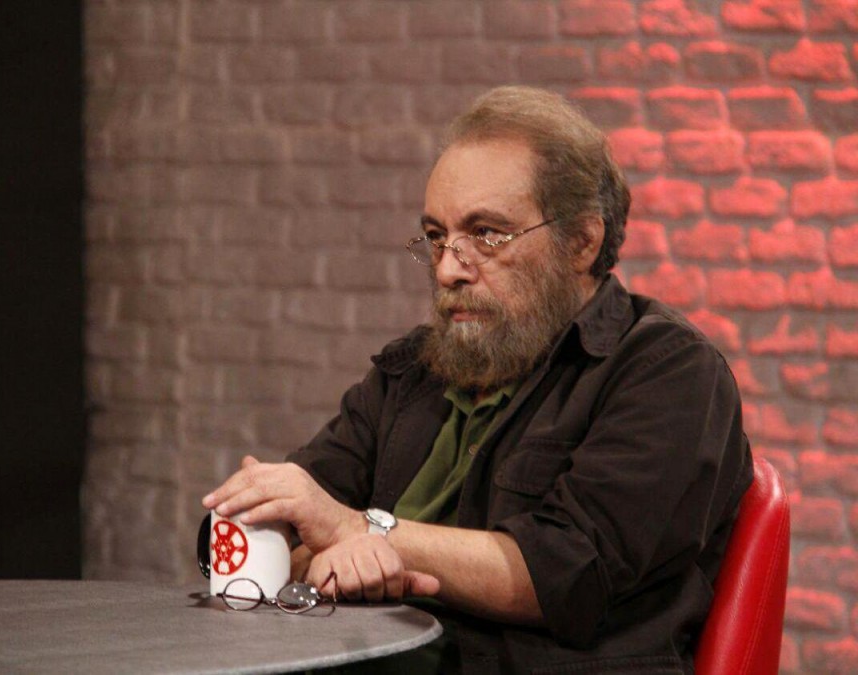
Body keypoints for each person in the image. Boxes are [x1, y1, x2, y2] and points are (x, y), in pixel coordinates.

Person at [203, 86, 753, 674]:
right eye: (437, 237)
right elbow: (252, 527)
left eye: (486, 234)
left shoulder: (666, 369)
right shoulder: (414, 370)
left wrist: (360, 530)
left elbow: (567, 572)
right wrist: (308, 551)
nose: (447, 269)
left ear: (581, 242)